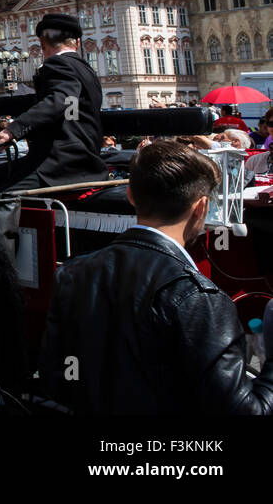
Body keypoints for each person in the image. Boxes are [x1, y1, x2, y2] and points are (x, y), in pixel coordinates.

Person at [39, 140, 273, 413]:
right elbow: (246, 412)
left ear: (130, 196)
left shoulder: (72, 273)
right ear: (201, 207)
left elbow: (57, 381)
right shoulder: (199, 296)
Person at [0, 13, 105, 193]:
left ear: (43, 44)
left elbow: (57, 100)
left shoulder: (59, 64)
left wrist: (13, 129)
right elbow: (45, 101)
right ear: (76, 42)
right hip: (81, 160)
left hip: (60, 164)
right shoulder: (85, 69)